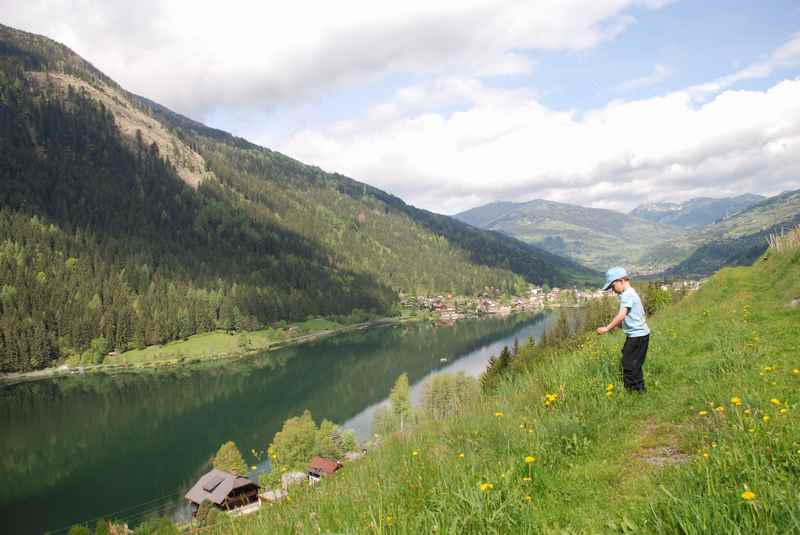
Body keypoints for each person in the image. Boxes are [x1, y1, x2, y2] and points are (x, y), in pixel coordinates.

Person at [596, 267, 650, 392]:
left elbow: (621, 315)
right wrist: (622, 325)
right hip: (639, 335)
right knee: (631, 362)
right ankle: (637, 390)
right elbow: (634, 315)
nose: (613, 290)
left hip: (637, 336)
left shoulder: (627, 295)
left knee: (629, 364)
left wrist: (607, 328)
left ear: (621, 281)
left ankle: (634, 391)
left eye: (613, 286)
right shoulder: (631, 292)